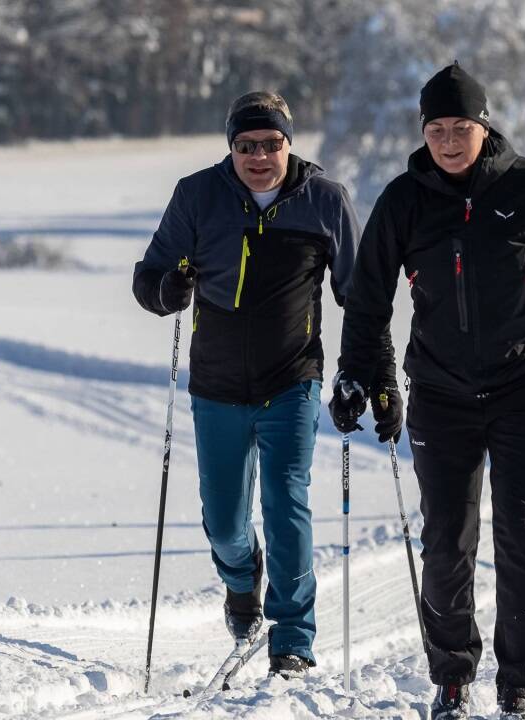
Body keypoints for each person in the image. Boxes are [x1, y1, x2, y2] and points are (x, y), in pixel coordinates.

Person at [329, 63, 525, 720]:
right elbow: (369, 300)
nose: (449, 140)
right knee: (446, 538)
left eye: (461, 127)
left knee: (520, 530)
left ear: (483, 127)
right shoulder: (405, 200)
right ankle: (453, 678)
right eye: (436, 129)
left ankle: (521, 686)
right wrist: (361, 374)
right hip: (442, 390)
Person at [132, 91, 361, 679]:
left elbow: (358, 296)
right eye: (246, 146)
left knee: (287, 504)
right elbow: (149, 275)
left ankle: (293, 639)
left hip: (292, 381)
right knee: (227, 522)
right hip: (216, 385)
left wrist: (363, 369)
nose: (259, 156)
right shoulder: (197, 195)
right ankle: (241, 579)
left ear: (289, 142)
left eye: (271, 144)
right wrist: (166, 292)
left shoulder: (325, 201)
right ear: (230, 147)